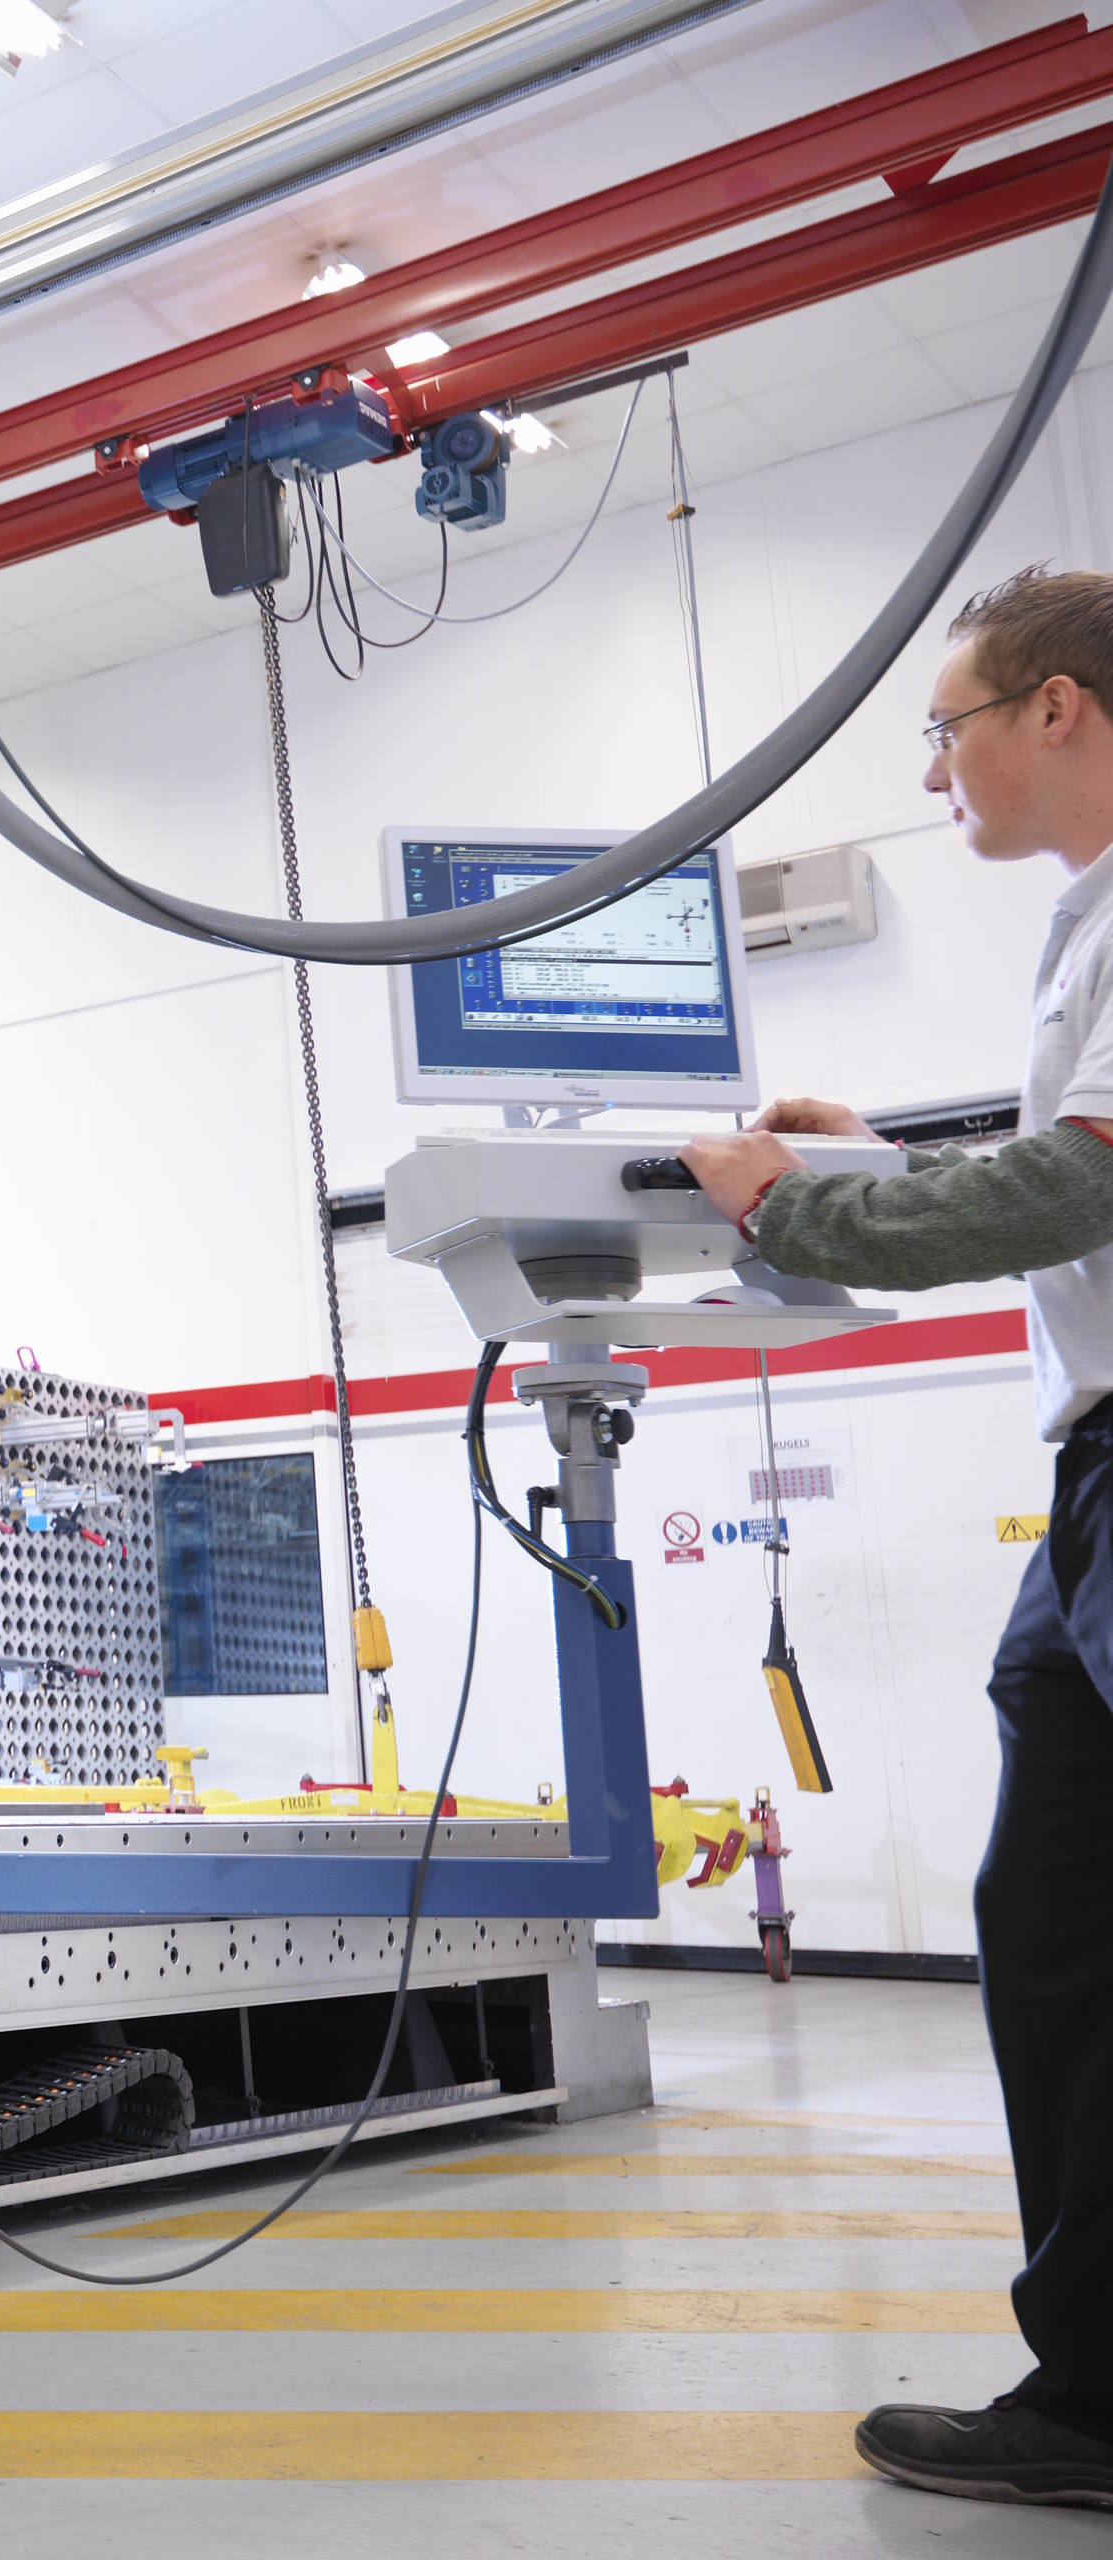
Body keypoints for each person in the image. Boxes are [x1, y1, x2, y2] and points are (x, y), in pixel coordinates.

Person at [680, 566, 1113, 2509]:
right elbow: (1064, 1180)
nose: (929, 765)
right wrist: (877, 1163)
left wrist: (803, 1215)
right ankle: (1096, 2382)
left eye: (945, 723)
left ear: (1060, 712)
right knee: (1057, 1920)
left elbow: (1072, 1187)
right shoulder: (1082, 922)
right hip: (1090, 1483)